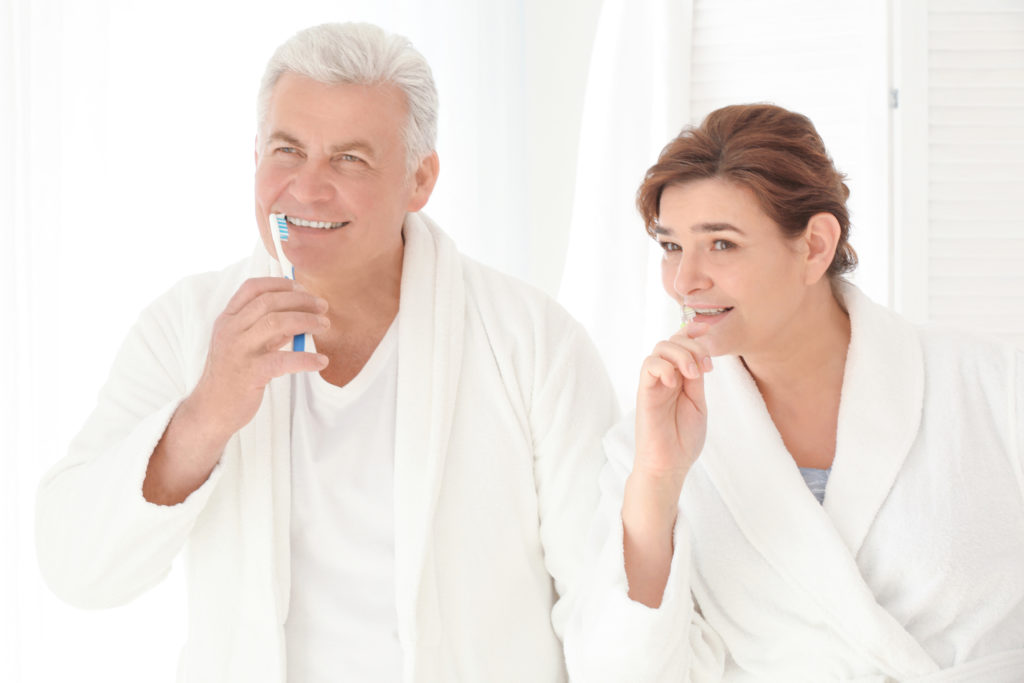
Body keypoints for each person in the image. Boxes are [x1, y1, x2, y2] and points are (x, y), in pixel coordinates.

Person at [35, 22, 619, 683]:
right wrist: (205, 416)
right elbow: (75, 567)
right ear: (254, 154)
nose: (307, 189)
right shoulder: (187, 325)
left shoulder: (533, 343)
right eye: (287, 150)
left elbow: (606, 604)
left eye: (350, 159)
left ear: (420, 178)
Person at [564, 104, 1024, 681]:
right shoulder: (647, 445)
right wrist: (657, 481)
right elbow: (617, 672)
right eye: (671, 246)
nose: (685, 281)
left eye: (722, 244)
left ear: (814, 246)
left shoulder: (994, 388)